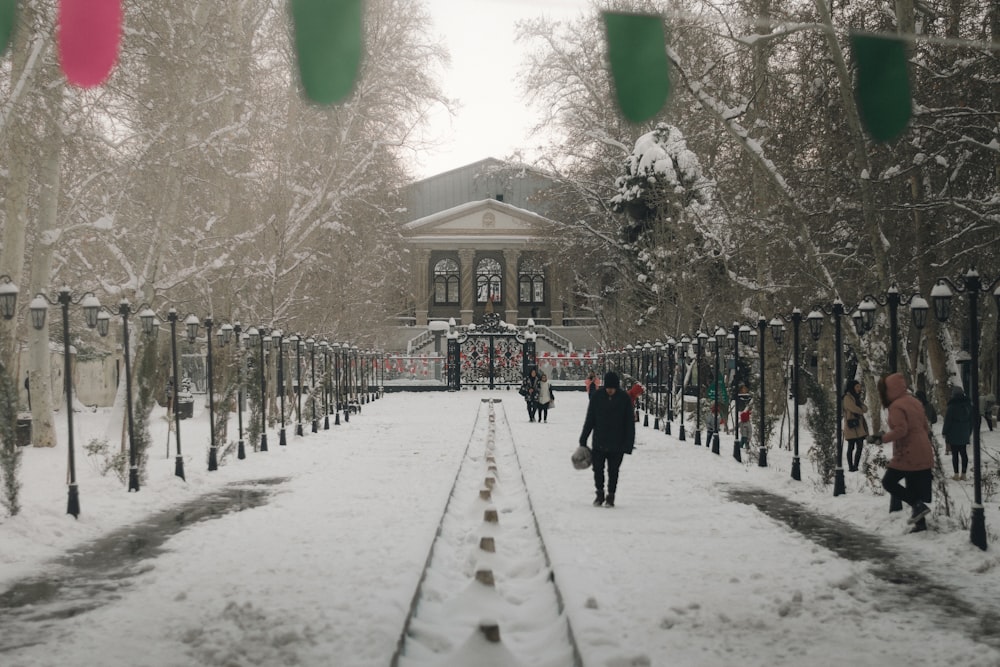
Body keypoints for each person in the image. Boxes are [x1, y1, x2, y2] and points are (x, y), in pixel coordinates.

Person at [871, 373, 935, 532]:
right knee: (913, 486)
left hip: (908, 452)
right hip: (924, 449)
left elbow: (901, 430)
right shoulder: (915, 402)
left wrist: (882, 439)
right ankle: (920, 524)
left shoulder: (896, 406)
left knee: (889, 482)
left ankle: (918, 506)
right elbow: (926, 427)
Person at [578, 371, 635, 508]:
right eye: (608, 388)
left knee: (613, 470)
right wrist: (583, 438)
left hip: (617, 442)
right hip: (600, 441)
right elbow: (590, 419)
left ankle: (611, 495)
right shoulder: (597, 397)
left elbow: (629, 423)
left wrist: (628, 443)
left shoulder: (624, 399)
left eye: (612, 388)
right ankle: (599, 493)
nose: (610, 391)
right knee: (598, 469)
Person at [942, 386, 973, 481]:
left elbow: (948, 421)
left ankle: (956, 474)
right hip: (964, 432)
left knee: (955, 454)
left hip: (953, 433)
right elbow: (972, 420)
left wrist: (944, 431)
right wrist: (969, 431)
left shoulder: (951, 406)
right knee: (963, 453)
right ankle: (964, 474)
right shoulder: (968, 405)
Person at [842, 379, 869, 472]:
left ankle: (856, 466)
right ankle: (851, 466)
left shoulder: (857, 398)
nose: (859, 388)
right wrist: (860, 409)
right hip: (851, 425)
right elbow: (854, 408)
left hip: (859, 426)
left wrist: (860, 408)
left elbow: (865, 408)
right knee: (851, 446)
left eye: (859, 386)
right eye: (857, 386)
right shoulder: (847, 398)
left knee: (860, 446)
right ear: (852, 387)